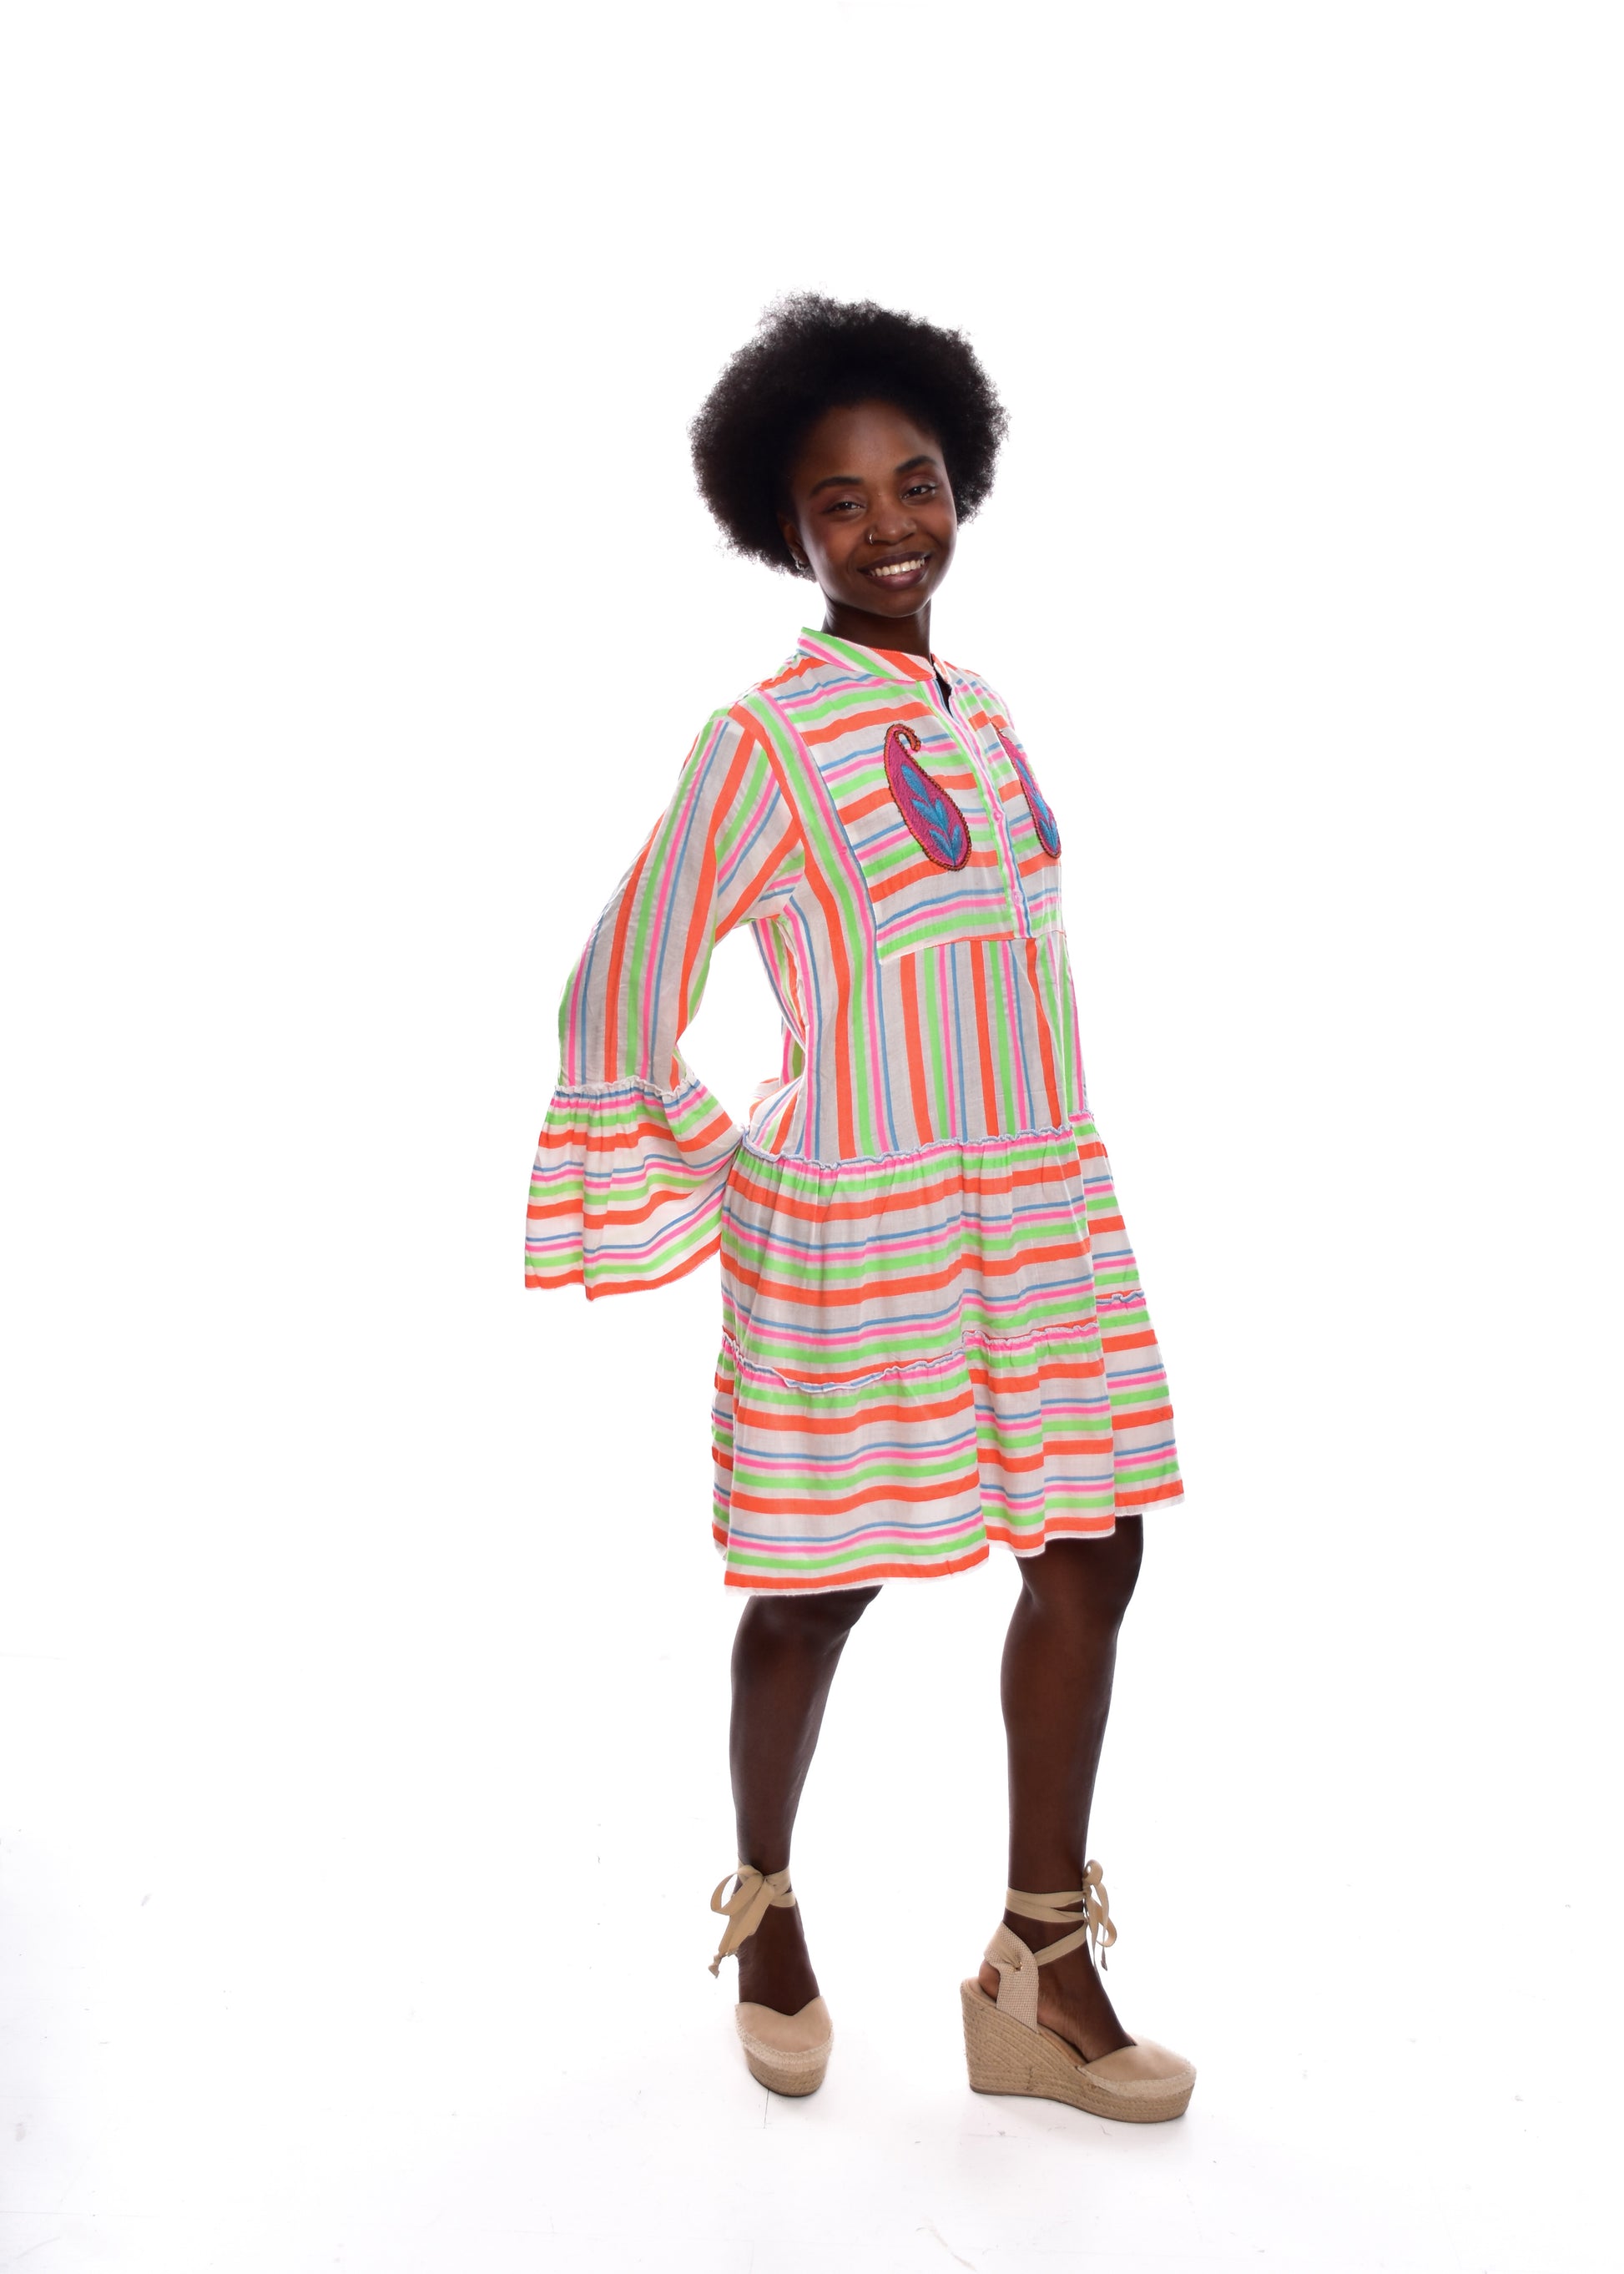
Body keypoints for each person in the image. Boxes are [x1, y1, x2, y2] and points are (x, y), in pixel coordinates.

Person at [526, 295, 1193, 2121]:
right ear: (786, 525)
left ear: (959, 484)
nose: (890, 524)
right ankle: (765, 1901)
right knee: (821, 1585)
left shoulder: (982, 710)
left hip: (1035, 1205)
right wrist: (737, 1163)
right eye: (841, 501)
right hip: (863, 1230)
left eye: (915, 483)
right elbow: (611, 991)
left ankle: (1040, 1963)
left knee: (1093, 1552)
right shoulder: (761, 741)